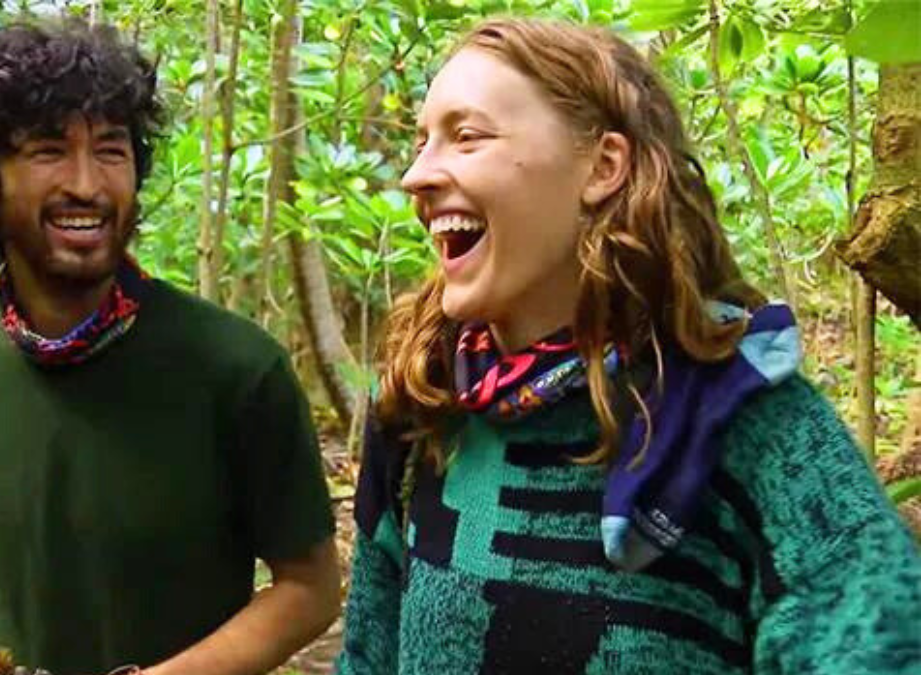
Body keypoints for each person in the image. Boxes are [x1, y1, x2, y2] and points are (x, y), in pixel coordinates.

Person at [335, 17, 921, 675]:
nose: (416, 175)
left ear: (604, 165)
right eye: (421, 142)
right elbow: (368, 653)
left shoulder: (745, 420)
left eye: (466, 137)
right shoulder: (424, 403)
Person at [0, 20, 340, 675]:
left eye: (111, 150)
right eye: (50, 150)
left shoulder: (236, 367)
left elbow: (310, 589)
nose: (88, 184)